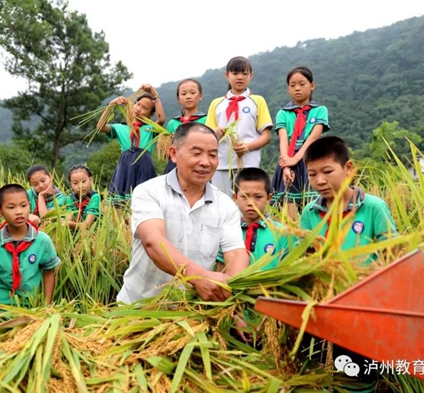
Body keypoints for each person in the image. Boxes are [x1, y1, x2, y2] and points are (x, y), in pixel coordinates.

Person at [299, 136, 397, 393]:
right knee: (324, 374)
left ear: (348, 168)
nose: (320, 181)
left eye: (328, 171)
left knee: (358, 378)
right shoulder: (310, 212)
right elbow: (307, 258)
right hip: (324, 308)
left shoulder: (373, 207)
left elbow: (392, 255)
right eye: (312, 174)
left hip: (364, 309)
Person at [117, 123, 249, 304]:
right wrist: (199, 276)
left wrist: (230, 296)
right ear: (173, 154)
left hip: (191, 313)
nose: (205, 162)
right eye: (196, 153)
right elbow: (153, 241)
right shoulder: (149, 191)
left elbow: (235, 254)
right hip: (136, 309)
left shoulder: (226, 206)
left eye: (212, 155)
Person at [205, 56, 273, 196]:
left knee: (247, 200)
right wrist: (216, 133)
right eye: (235, 73)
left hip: (248, 162)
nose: (239, 77)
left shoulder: (257, 101)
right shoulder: (216, 104)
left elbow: (266, 136)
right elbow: (207, 135)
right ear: (227, 75)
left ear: (251, 75)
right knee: (221, 202)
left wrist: (247, 147)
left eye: (244, 73)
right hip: (221, 162)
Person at [0, 184, 61, 307]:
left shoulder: (42, 241)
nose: (19, 212)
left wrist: (46, 306)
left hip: (30, 305)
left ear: (29, 206)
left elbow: (49, 272)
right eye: (11, 207)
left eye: (23, 205)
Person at [272, 66, 329, 220]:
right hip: (288, 161)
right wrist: (286, 165)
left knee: (314, 204)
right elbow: (283, 140)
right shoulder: (283, 113)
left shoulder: (320, 110)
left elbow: (313, 138)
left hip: (311, 159)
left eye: (302, 84)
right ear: (288, 89)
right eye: (292, 85)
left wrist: (296, 159)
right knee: (289, 206)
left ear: (312, 86)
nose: (297, 88)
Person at [97, 85, 165, 207]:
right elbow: (100, 127)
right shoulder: (121, 128)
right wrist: (111, 106)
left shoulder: (150, 129)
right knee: (121, 202)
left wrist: (156, 96)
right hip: (126, 165)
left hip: (144, 165)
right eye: (138, 104)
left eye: (145, 108)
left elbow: (161, 118)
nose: (139, 109)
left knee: (144, 201)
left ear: (150, 114)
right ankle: (123, 224)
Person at [217, 168, 290, 272]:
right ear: (235, 198)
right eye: (245, 197)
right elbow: (221, 272)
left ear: (268, 198)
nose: (251, 203)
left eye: (258, 197)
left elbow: (289, 271)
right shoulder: (227, 232)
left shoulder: (283, 233)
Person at [163, 79, 207, 174]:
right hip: (174, 166)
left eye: (192, 93)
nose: (188, 97)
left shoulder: (206, 120)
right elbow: (166, 151)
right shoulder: (173, 123)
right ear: (178, 99)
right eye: (183, 94)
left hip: (198, 165)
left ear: (200, 96)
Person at [58, 165, 101, 231]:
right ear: (71, 184)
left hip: (93, 233)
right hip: (74, 233)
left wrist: (68, 224)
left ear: (91, 180)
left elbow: (87, 224)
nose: (80, 186)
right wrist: (64, 221)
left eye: (83, 181)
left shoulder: (95, 197)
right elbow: (69, 218)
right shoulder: (70, 198)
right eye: (75, 183)